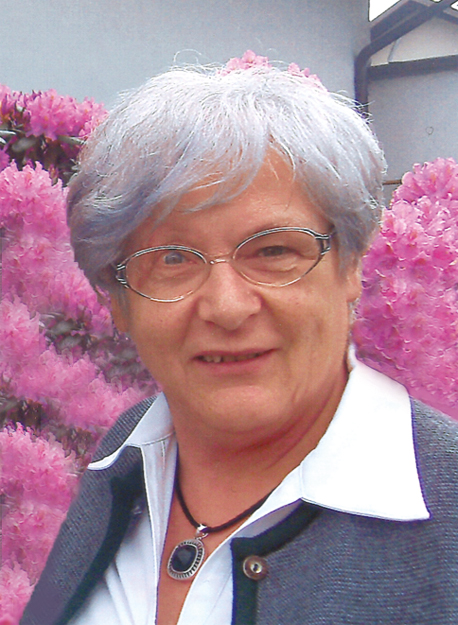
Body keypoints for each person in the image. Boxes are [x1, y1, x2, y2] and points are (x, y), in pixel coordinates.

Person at [21, 58, 458, 625]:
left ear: (350, 265)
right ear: (118, 301)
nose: (227, 307)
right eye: (171, 259)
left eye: (274, 250)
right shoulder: (124, 456)